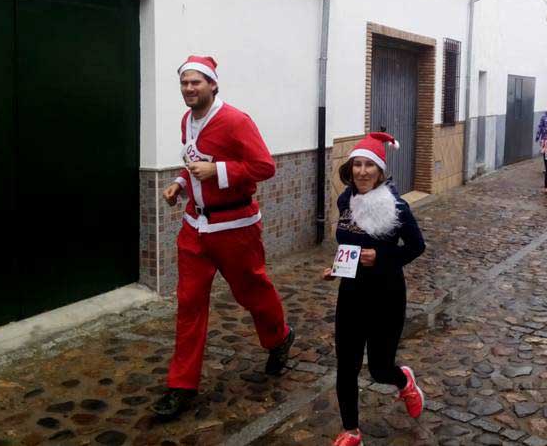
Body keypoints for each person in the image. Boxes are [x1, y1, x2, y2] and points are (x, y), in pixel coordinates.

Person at [152, 56, 294, 418]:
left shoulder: (236, 120)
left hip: (235, 229)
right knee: (189, 304)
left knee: (252, 291)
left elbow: (265, 166)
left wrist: (218, 171)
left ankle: (279, 337)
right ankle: (181, 386)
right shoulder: (188, 120)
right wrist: (180, 184)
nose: (189, 89)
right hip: (195, 229)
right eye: (184, 83)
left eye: (196, 82)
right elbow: (193, 162)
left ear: (213, 84)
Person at [325, 132, 427, 446]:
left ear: (380, 171)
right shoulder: (346, 200)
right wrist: (337, 267)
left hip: (387, 295)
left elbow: (416, 247)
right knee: (346, 365)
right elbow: (349, 244)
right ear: (350, 168)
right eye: (357, 164)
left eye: (369, 165)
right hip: (351, 294)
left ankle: (403, 380)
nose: (362, 171)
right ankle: (351, 431)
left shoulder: (396, 207)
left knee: (380, 369)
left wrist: (382, 257)